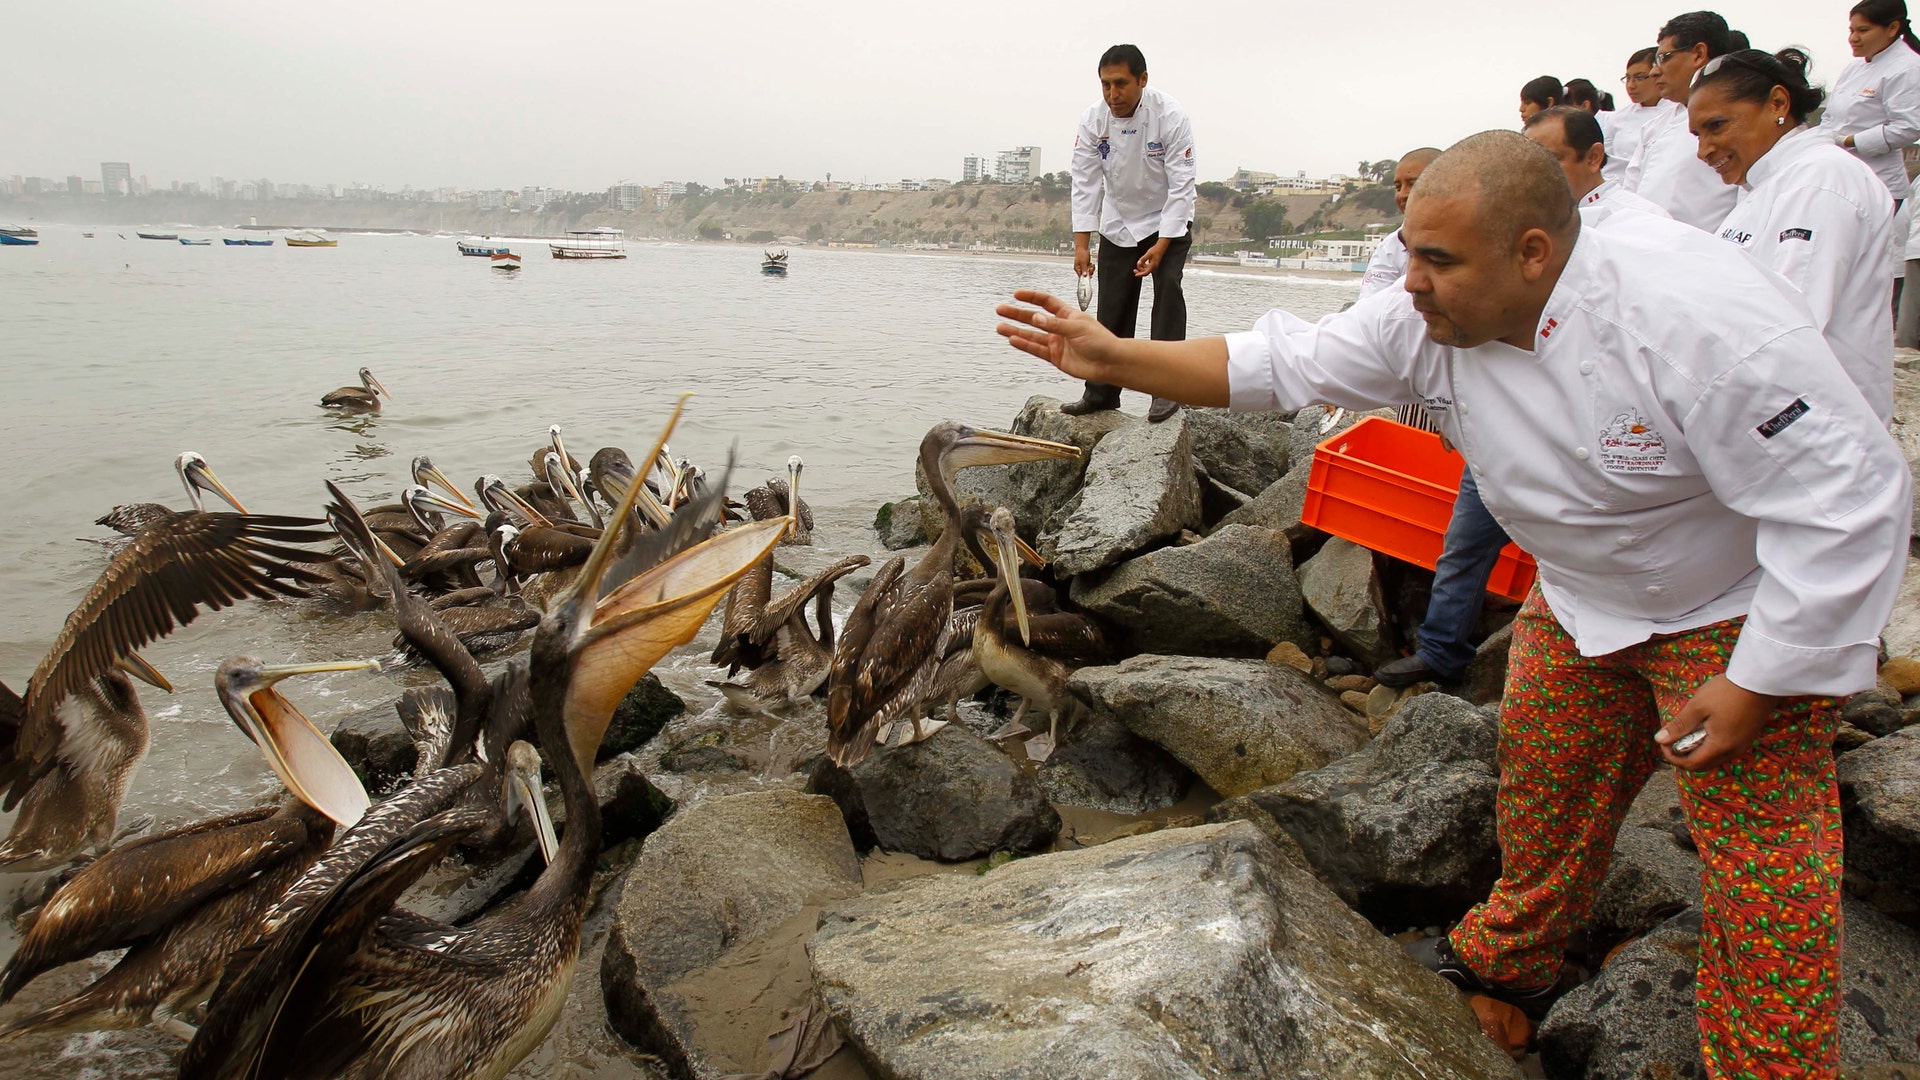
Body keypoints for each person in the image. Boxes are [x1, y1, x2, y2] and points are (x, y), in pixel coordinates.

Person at [997, 130, 1910, 1080]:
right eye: (1410, 250)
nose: (1412, 280)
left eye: (1438, 259)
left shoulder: (1696, 323)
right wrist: (1113, 352)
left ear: (1533, 253)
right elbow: (1279, 364)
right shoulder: (1426, 320)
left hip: (1738, 605)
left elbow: (1850, 499)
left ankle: (1772, 1064)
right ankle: (1511, 961)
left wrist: (1760, 680)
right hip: (1583, 592)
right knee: (1547, 787)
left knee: (1769, 878)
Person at [1694, 48, 1897, 422]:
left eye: (1717, 126)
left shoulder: (1821, 180)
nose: (1703, 150)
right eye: (1697, 134)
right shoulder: (1764, 187)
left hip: (1821, 433)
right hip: (1781, 421)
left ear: (1777, 104)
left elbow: (1786, 329)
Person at [1066, 43, 1197, 424]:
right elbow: (1086, 182)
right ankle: (1102, 393)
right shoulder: (1094, 119)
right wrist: (1081, 245)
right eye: (1105, 85)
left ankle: (1167, 389)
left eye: (1120, 84)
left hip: (1166, 221)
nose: (1112, 95)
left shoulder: (1170, 116)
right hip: (1119, 220)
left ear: (1142, 80)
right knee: (1112, 310)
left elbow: (1182, 186)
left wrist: (1162, 244)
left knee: (1167, 294)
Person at [1820, 0, 1920, 317]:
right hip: (1838, 174)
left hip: (1879, 183)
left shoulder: (1908, 67)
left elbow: (1908, 126)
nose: (1854, 38)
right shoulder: (1854, 68)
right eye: (1851, 30)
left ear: (1892, 28)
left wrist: (1851, 141)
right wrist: (1822, 141)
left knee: (1867, 271)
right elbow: (1830, 118)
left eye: (1863, 30)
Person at [1626, 11, 1740, 229]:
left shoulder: (1739, 120)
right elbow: (1632, 191)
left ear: (1698, 54)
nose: (1654, 72)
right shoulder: (1654, 127)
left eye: (1664, 58)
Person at [1525, 106, 1673, 227]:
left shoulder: (1645, 220)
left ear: (1593, 158)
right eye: (1529, 163)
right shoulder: (1537, 218)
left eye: (1550, 159)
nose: (1535, 173)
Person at [1356, 148, 1441, 301]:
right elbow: (1369, 306)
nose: (1402, 194)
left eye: (1413, 184)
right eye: (1398, 187)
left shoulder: (1474, 239)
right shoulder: (1390, 248)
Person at [1605, 47, 1678, 183]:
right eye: (1627, 78)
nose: (1631, 86)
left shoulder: (1677, 113)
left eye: (1639, 78)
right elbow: (1606, 162)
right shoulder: (1616, 118)